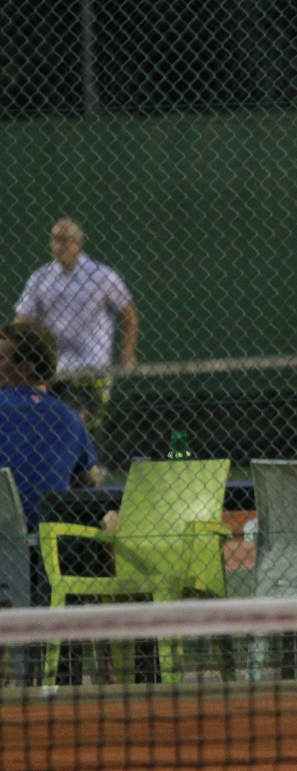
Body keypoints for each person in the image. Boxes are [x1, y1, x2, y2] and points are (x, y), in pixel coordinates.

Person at [0, 321, 101, 685]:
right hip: (52, 549)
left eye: (1, 358)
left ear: (25, 367)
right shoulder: (69, 418)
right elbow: (92, 480)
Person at [13, 218, 139, 431]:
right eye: (54, 239)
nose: (59, 245)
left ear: (79, 242)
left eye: (65, 240)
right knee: (53, 426)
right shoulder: (40, 278)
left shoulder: (102, 275)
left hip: (92, 368)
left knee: (77, 421)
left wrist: (128, 350)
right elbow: (22, 319)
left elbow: (128, 314)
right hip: (54, 369)